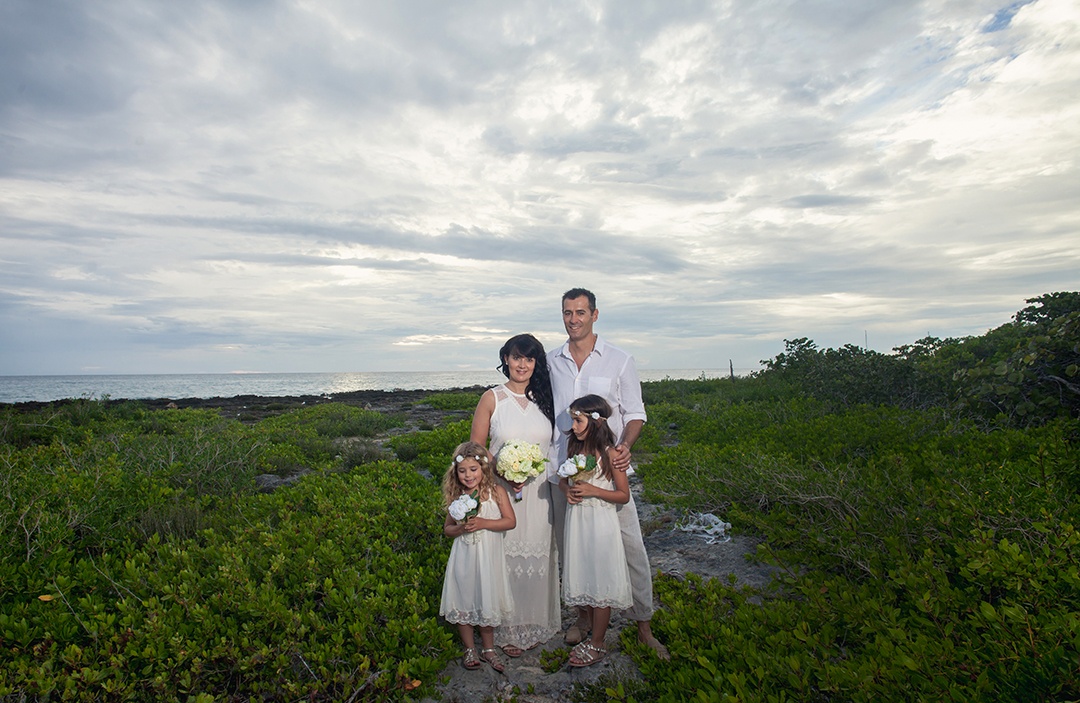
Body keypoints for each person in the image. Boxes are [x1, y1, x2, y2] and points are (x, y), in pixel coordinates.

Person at [547, 287, 670, 660]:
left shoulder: (618, 359)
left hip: (607, 470)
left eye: (581, 312)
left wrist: (624, 447)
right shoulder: (552, 361)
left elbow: (635, 413)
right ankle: (584, 618)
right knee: (573, 548)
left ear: (595, 315)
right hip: (563, 470)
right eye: (567, 313)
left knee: (630, 546)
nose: (573, 319)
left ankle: (643, 624)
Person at [470, 334, 561, 657]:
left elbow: (555, 445)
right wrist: (505, 473)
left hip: (539, 493)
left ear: (536, 363)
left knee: (537, 554)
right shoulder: (492, 398)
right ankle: (506, 628)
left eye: (529, 358)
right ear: (506, 359)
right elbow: (477, 451)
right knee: (504, 559)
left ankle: (534, 623)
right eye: (516, 357)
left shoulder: (546, 398)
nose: (522, 364)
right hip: (500, 491)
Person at [559, 395, 633, 667]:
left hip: (600, 524)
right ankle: (589, 629)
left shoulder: (612, 454)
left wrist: (594, 490)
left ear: (595, 421)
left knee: (601, 579)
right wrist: (567, 491)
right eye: (573, 420)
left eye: (578, 420)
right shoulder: (574, 450)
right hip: (578, 522)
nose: (574, 426)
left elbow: (623, 495)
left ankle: (599, 642)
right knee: (586, 573)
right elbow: (561, 481)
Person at [438, 441, 517, 673]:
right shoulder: (457, 496)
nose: (468, 475)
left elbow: (510, 521)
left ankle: (489, 648)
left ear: (483, 469)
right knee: (464, 596)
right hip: (464, 557)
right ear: (456, 472)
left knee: (486, 597)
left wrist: (483, 523)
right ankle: (470, 647)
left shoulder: (496, 492)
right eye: (462, 471)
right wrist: (461, 528)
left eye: (473, 470)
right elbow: (448, 529)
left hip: (488, 558)